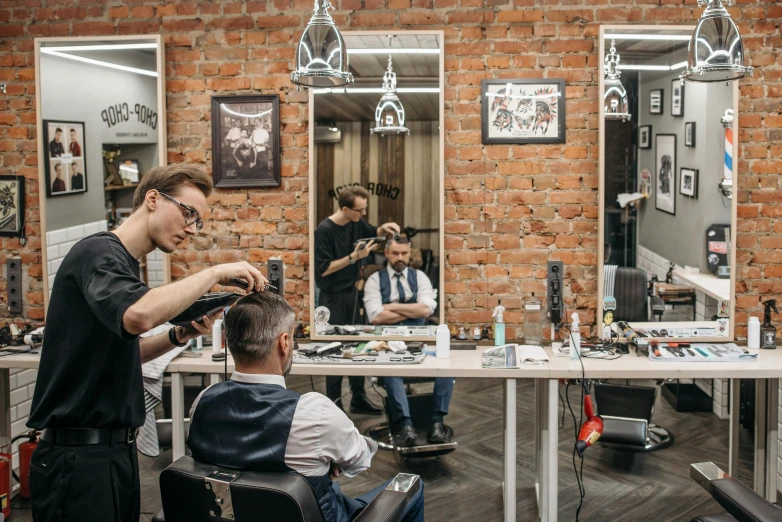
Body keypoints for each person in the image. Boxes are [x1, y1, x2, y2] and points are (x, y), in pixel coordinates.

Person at [27, 165, 269, 522]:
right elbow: (138, 317)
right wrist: (214, 272)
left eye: (198, 221)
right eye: (188, 213)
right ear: (152, 199)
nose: (191, 228)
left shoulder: (123, 264)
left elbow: (123, 354)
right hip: (78, 460)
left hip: (114, 455)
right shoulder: (98, 253)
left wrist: (180, 335)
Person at [187, 292, 424, 522]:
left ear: (229, 342)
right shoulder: (313, 414)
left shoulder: (202, 402)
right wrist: (327, 455)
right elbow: (359, 460)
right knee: (412, 484)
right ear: (285, 343)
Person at [314, 185, 400, 413]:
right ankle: (334, 402)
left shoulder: (356, 222)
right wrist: (354, 257)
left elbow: (370, 230)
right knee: (334, 348)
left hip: (352, 293)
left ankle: (358, 397)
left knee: (358, 344)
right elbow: (323, 269)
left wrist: (382, 228)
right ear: (345, 208)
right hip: (331, 297)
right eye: (359, 211)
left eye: (365, 209)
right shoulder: (324, 231)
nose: (363, 215)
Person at [363, 236, 452, 446]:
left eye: (404, 253)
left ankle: (437, 422)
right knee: (392, 369)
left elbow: (427, 309)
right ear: (386, 253)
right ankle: (406, 425)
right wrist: (412, 311)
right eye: (395, 253)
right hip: (388, 341)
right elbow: (375, 317)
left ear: (409, 253)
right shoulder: (375, 280)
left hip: (419, 339)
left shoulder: (420, 277)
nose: (400, 257)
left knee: (446, 366)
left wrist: (390, 307)